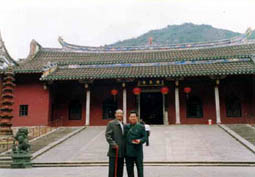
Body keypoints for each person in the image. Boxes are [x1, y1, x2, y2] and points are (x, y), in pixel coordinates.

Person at [125, 111, 147, 177]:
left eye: (134, 117)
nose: (133, 118)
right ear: (129, 118)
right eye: (131, 117)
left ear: (137, 118)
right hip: (128, 152)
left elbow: (145, 137)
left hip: (138, 152)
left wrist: (140, 140)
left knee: (140, 169)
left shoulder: (141, 127)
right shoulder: (126, 127)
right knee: (129, 170)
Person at [105, 109, 125, 177]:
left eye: (121, 113)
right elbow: (108, 135)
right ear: (115, 114)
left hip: (122, 152)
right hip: (114, 151)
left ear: (123, 115)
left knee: (120, 170)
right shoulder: (111, 123)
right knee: (112, 170)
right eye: (118, 113)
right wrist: (113, 144)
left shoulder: (123, 124)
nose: (119, 115)